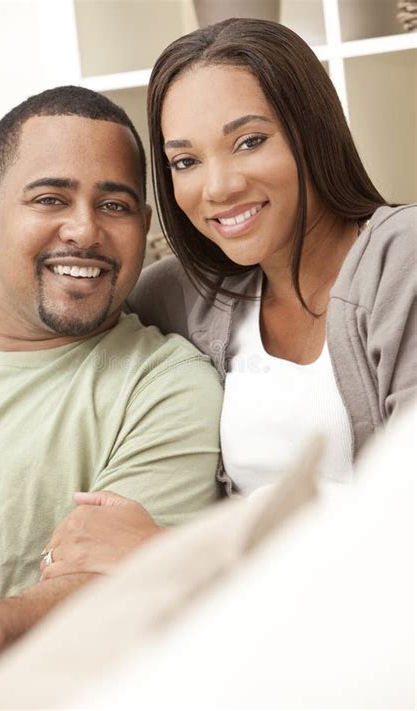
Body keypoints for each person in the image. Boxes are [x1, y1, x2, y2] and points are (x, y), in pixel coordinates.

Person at [39, 18, 416, 579]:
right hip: (243, 619)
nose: (217, 188)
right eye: (185, 161)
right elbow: (65, 326)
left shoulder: (401, 260)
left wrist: (171, 555)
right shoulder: (191, 292)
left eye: (249, 141)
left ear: (311, 131)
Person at [0, 86, 223, 694]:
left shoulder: (165, 389)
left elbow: (111, 595)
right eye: (50, 198)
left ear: (144, 229)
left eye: (115, 206)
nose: (84, 230)